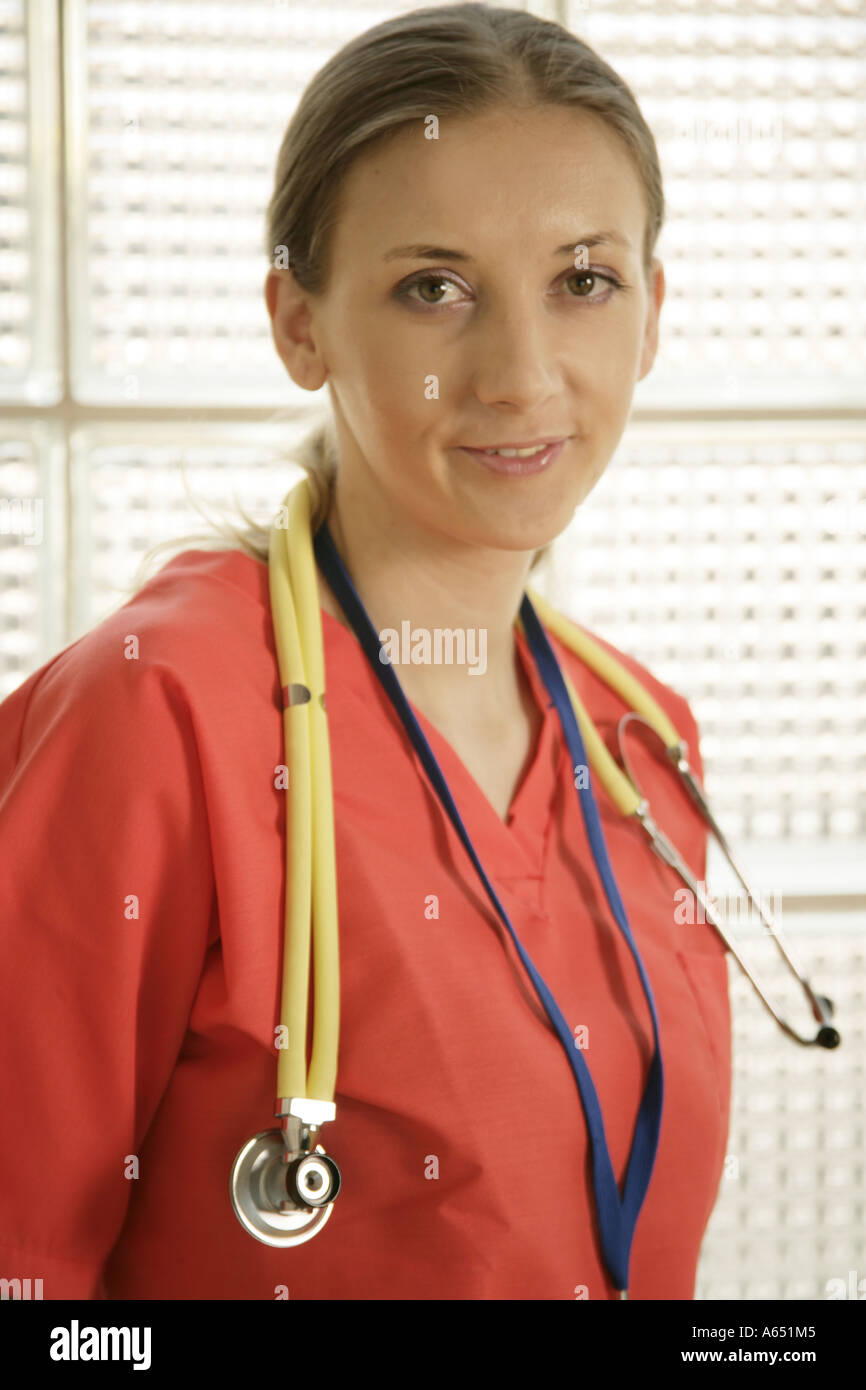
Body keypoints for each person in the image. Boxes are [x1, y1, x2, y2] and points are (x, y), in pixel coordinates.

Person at [0, 2, 730, 1300]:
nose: (520, 374)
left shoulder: (640, 741)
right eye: (432, 287)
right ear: (301, 324)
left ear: (652, 311)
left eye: (582, 281)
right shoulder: (156, 712)